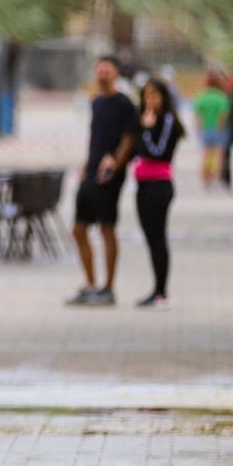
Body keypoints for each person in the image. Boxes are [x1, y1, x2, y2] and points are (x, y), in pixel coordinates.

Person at [67, 55, 139, 306]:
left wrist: (114, 165)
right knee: (78, 229)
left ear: (116, 73)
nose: (102, 74)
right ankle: (90, 284)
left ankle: (108, 287)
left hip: (109, 177)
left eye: (107, 70)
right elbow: (95, 138)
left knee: (106, 228)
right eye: (99, 70)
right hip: (90, 173)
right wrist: (87, 164)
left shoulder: (125, 104)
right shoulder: (96, 102)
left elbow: (128, 140)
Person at [133, 78, 183, 309]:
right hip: (142, 185)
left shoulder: (167, 121)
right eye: (146, 95)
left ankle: (161, 291)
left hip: (159, 186)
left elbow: (158, 151)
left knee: (158, 238)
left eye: (154, 95)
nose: (150, 100)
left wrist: (146, 129)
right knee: (150, 239)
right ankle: (155, 289)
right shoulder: (143, 119)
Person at [193, 72, 231, 190]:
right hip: (218, 129)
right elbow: (223, 115)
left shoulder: (202, 97)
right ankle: (217, 180)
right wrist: (220, 127)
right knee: (219, 157)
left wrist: (199, 127)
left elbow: (197, 114)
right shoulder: (221, 97)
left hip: (206, 128)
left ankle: (205, 180)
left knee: (206, 156)